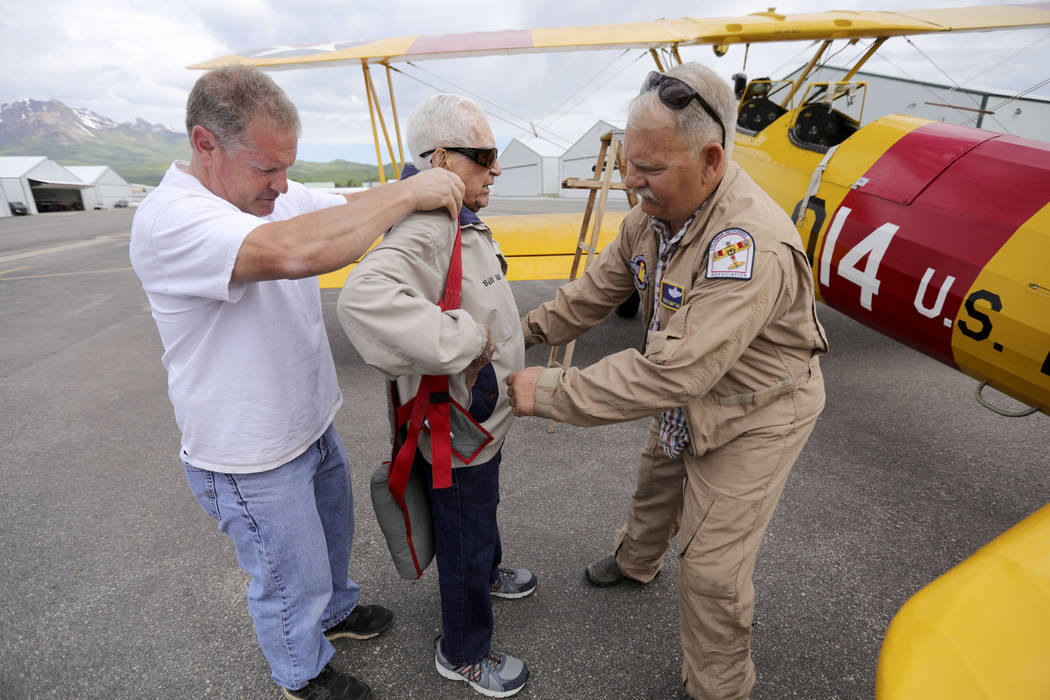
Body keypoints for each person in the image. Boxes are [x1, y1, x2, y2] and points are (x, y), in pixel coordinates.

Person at [129, 66, 464, 700]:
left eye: (288, 166)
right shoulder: (172, 219)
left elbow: (339, 209)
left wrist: (407, 188)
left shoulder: (266, 195)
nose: (282, 185)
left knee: (330, 545)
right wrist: (407, 196)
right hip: (249, 454)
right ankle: (301, 673)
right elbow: (293, 252)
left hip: (306, 422)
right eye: (265, 169)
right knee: (289, 577)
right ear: (206, 144)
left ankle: (336, 611)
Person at [506, 62, 828, 699]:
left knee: (710, 568)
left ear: (710, 160)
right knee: (658, 478)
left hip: (757, 408)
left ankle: (719, 687)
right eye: (629, 164)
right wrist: (516, 332)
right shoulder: (652, 218)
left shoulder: (748, 245)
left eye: (649, 170)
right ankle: (636, 562)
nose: (631, 182)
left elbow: (675, 370)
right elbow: (592, 294)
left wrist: (546, 392)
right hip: (691, 392)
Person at [337, 93, 534, 698]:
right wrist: (467, 339)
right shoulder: (428, 225)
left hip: (482, 421)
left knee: (480, 522)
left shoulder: (459, 214)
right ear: (442, 159)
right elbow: (362, 300)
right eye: (485, 157)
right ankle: (464, 652)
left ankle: (489, 570)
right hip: (457, 433)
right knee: (462, 539)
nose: (495, 169)